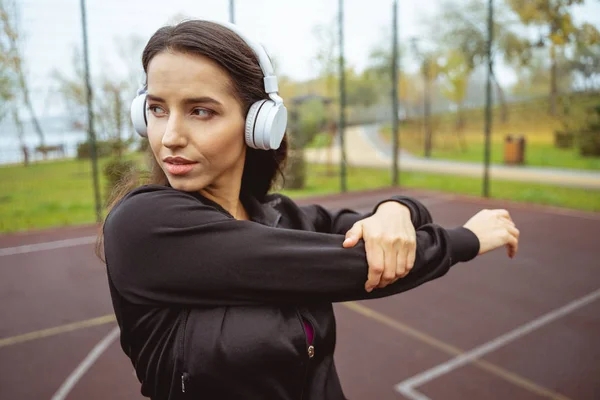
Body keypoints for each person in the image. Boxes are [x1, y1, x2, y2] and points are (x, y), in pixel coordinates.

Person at [98, 20, 520, 400]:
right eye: (157, 109)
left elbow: (369, 227)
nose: (169, 135)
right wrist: (468, 239)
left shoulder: (277, 216)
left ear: (258, 123)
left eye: (200, 111)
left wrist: (396, 209)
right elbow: (364, 263)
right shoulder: (144, 226)